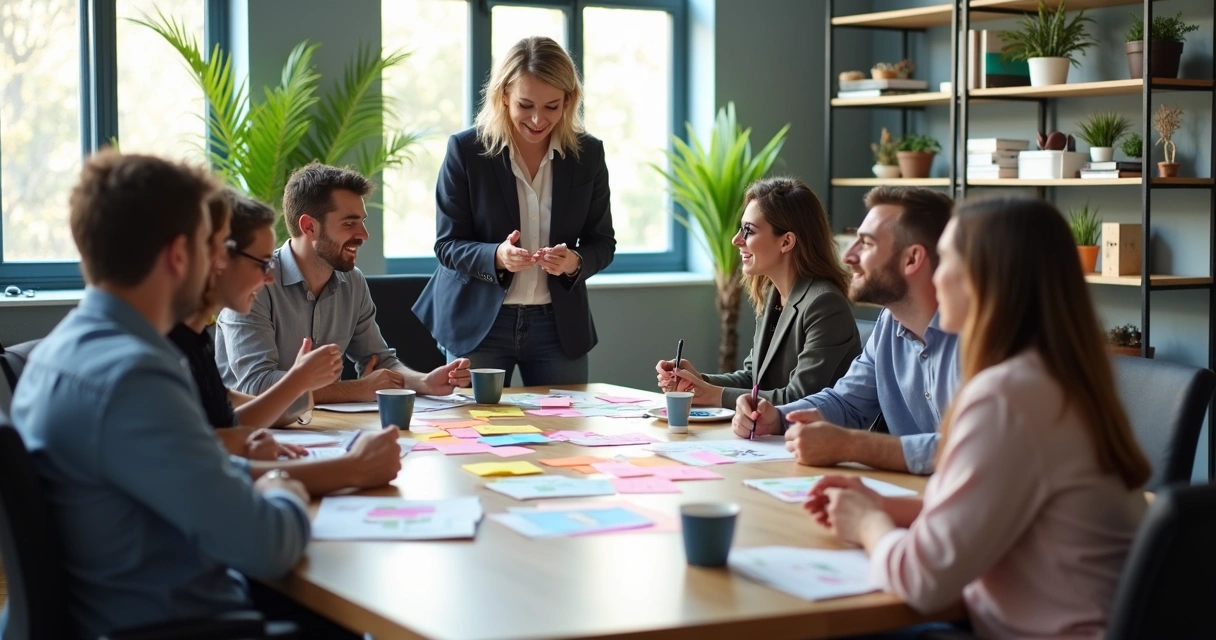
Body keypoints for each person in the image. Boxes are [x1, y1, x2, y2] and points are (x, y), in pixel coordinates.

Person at [805, 196, 1151, 639]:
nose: (935, 273)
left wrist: (868, 525)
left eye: (946, 258)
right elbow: (999, 508)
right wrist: (887, 507)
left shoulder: (1006, 397)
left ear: (987, 278)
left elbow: (923, 581)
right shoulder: (1059, 378)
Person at [4, 151, 310, 639]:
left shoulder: (56, 353)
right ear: (178, 255)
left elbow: (170, 466)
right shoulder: (134, 377)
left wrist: (248, 473)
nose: (217, 263)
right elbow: (268, 545)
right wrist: (282, 486)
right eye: (212, 246)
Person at [413, 36, 616, 386]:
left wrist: (574, 263)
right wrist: (497, 256)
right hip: (479, 324)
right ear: (503, 95)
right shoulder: (466, 151)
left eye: (552, 107)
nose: (538, 119)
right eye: (525, 104)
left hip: (558, 326)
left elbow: (603, 242)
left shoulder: (588, 155)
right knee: (476, 435)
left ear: (568, 101)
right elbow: (447, 245)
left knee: (565, 432)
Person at [171, 189, 402, 497]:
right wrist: (354, 467)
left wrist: (295, 389)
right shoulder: (161, 347)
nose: (269, 277)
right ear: (216, 259)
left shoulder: (193, 337)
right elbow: (202, 464)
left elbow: (227, 418)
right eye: (262, 262)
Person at [733, 186, 958, 475]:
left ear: (912, 259)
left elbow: (973, 449)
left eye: (866, 243)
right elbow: (846, 402)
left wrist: (853, 446)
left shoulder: (982, 338)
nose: (849, 255)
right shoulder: (889, 323)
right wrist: (777, 418)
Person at [216, 163, 471, 414]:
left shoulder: (353, 282)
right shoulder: (255, 283)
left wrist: (424, 382)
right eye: (349, 223)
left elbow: (379, 362)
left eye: (362, 221)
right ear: (309, 227)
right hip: (254, 431)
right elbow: (255, 386)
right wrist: (356, 390)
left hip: (323, 428)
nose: (364, 235)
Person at [654, 177, 860, 407]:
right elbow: (754, 379)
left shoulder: (825, 304)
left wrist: (711, 394)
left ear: (786, 242)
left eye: (748, 231)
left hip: (815, 440)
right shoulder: (772, 294)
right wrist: (697, 382)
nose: (736, 240)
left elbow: (799, 399)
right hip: (771, 438)